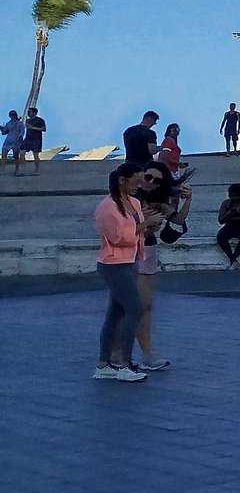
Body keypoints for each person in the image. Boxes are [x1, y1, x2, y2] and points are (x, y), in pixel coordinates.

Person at [94, 162, 153, 382]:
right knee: (134, 309)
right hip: (113, 264)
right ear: (122, 181)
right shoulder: (106, 208)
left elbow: (136, 233)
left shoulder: (134, 202)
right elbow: (119, 238)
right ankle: (122, 364)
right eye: (135, 181)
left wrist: (145, 227)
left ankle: (104, 364)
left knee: (115, 313)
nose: (138, 186)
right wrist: (142, 227)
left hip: (129, 262)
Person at [134, 162, 191, 372]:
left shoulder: (158, 202)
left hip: (148, 250)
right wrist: (147, 222)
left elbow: (178, 219)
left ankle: (144, 354)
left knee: (145, 306)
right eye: (148, 177)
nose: (151, 183)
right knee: (137, 306)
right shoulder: (130, 199)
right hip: (132, 252)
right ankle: (133, 354)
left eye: (157, 181)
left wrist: (188, 200)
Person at [18, 107, 47, 175]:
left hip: (36, 139)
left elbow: (44, 129)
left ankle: (36, 170)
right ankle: (23, 169)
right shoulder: (27, 120)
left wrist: (32, 127)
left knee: (35, 155)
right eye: (28, 111)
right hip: (27, 139)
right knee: (21, 153)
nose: (28, 113)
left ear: (34, 113)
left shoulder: (40, 120)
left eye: (29, 112)